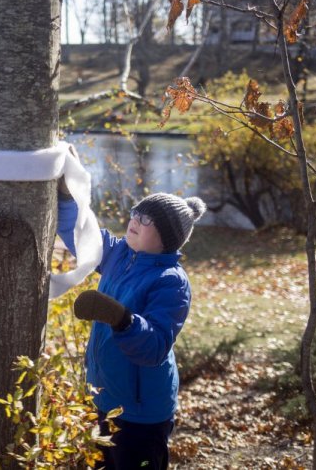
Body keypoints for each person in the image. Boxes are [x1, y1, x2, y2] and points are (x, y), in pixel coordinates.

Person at [58, 166, 206, 469]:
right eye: (136, 212)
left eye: (146, 219)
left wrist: (122, 319)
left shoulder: (171, 281)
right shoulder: (118, 255)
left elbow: (153, 348)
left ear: (166, 238)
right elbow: (80, 234)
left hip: (142, 413)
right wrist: (65, 194)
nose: (135, 220)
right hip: (106, 399)